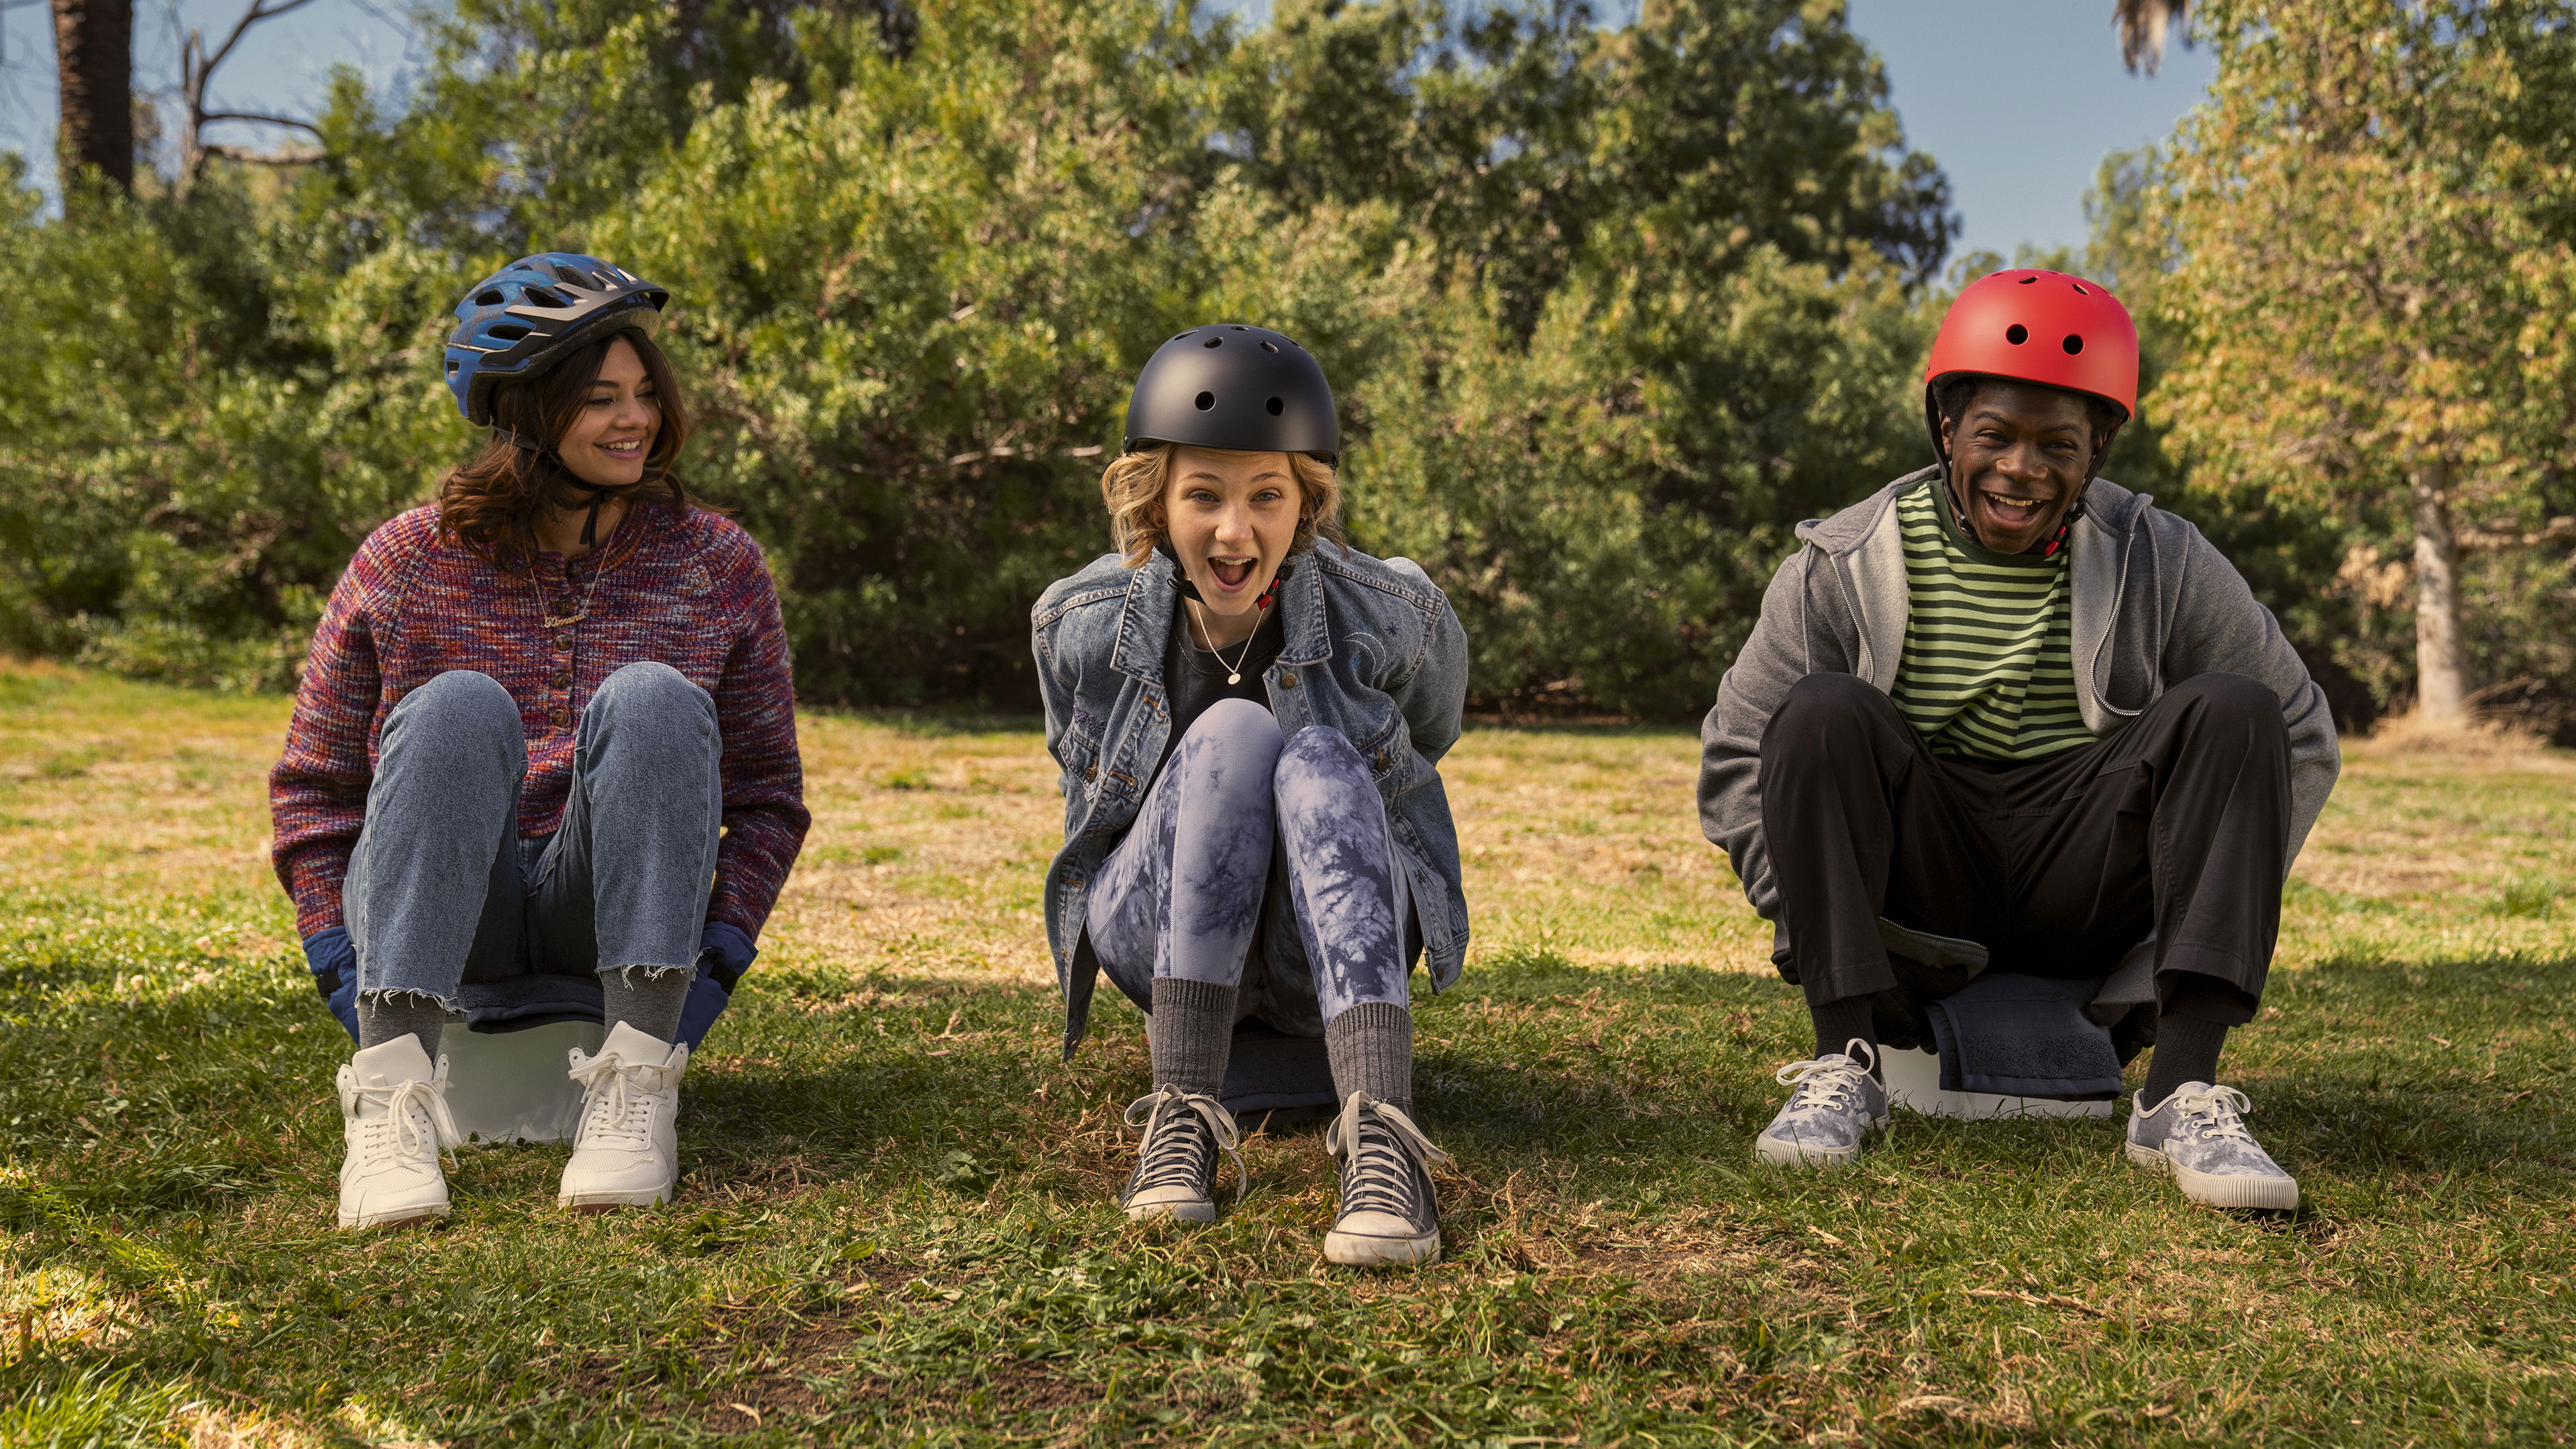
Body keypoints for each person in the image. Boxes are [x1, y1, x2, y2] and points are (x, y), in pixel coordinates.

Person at [1699, 269, 2339, 1209]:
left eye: (2057, 446)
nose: (2022, 469)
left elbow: (2301, 735)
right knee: (1820, 712)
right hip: (1923, 879)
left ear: (2098, 450)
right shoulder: (1843, 560)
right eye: (1994, 436)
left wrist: (2166, 947)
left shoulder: (2163, 555)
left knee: (2240, 710)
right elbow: (1738, 756)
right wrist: (1823, 926)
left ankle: (2180, 1094)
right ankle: (1844, 1065)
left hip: (2090, 871)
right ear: (1946, 428)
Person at [270, 254, 809, 1230]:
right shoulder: (406, 559)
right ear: (525, 412)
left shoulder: (717, 563)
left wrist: (709, 979)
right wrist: (347, 979)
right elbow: (315, 789)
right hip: (442, 911)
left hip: (605, 911)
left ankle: (635, 1087)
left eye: (645, 393)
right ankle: (387, 1103)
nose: (637, 419)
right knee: (457, 706)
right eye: (600, 398)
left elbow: (768, 796)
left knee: (652, 697)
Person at [1032, 324, 1470, 1265]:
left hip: (1330, 947)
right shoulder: (1080, 622)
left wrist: (1324, 798)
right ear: (1156, 501)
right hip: (1158, 941)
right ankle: (1182, 1112)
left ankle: (1385, 1141)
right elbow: (1086, 800)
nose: (1236, 532)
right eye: (1204, 495)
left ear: (1306, 502)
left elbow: (1428, 737)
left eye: (1267, 495)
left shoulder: (1393, 613)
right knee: (1232, 734)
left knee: (1321, 759)